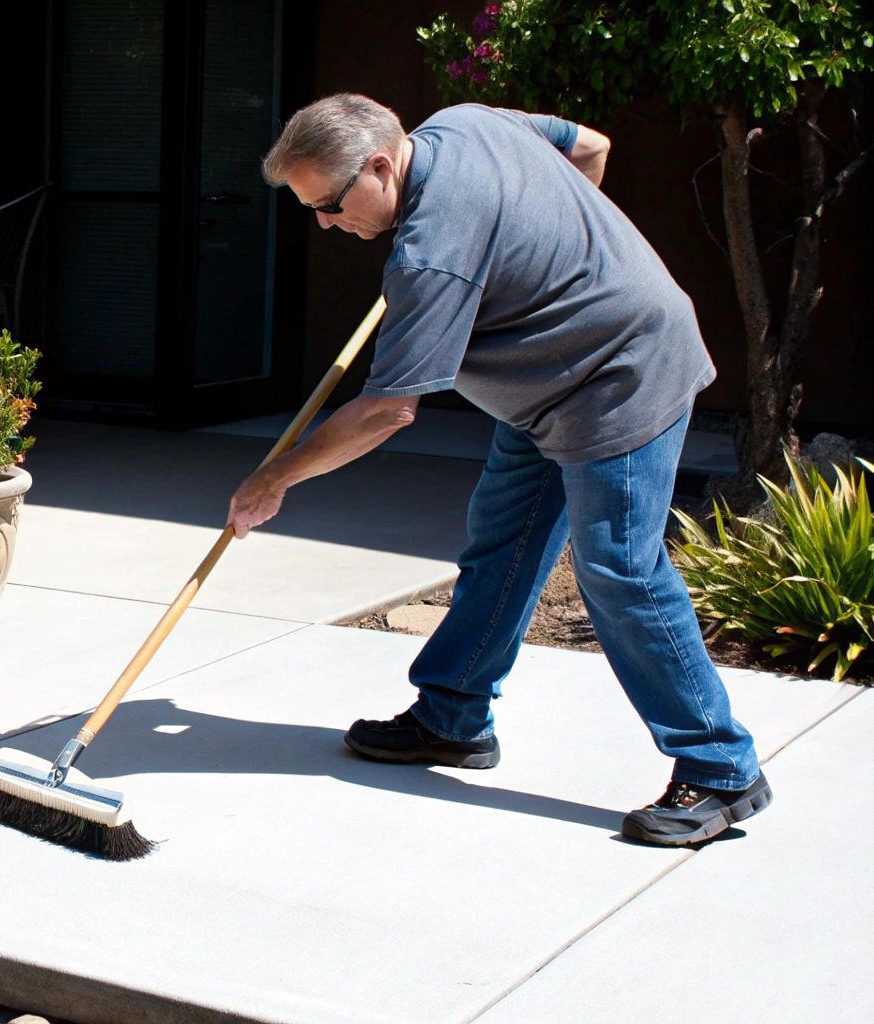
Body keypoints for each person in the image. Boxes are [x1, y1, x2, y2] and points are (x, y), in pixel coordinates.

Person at [229, 93, 769, 846]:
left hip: (621, 373)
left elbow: (389, 411)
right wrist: (539, 264)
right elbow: (590, 146)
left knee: (621, 569)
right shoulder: (464, 122)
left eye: (327, 204)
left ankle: (721, 768)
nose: (323, 223)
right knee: (503, 543)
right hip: (545, 390)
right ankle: (452, 715)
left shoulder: (430, 256)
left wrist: (273, 477)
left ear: (381, 165)